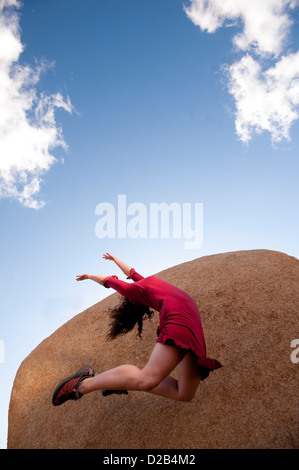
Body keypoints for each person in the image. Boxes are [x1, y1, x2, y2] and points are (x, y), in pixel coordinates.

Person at [52, 253, 222, 406]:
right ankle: (89, 384)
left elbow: (108, 280)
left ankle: (101, 382)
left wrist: (90, 275)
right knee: (165, 386)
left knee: (176, 390)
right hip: (189, 321)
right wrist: (114, 261)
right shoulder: (145, 284)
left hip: (184, 320)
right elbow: (130, 273)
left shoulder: (136, 290)